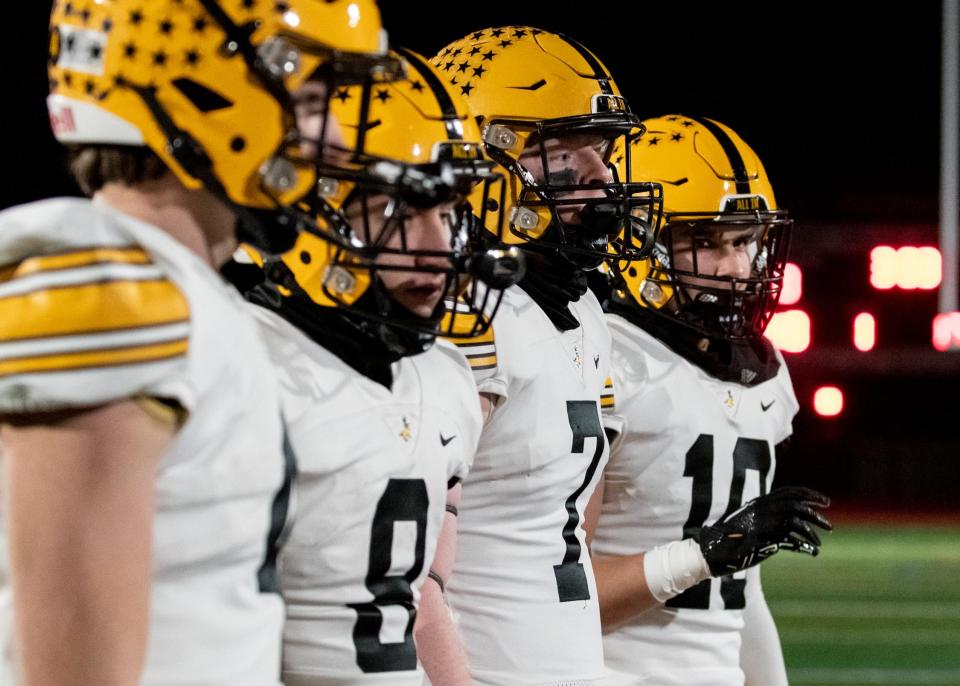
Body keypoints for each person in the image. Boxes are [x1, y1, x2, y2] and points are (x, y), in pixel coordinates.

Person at [0, 1, 392, 684]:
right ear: (198, 97)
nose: (334, 135)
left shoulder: (187, 291)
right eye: (306, 99)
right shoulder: (112, 293)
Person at [231, 48, 522, 685]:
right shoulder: (244, 366)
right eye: (399, 210)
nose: (439, 247)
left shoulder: (444, 376)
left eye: (448, 212)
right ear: (313, 208)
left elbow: (420, 607)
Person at [429, 27, 662, 685]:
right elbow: (409, 575)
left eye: (604, 149)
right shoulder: (464, 313)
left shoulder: (582, 307)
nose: (602, 175)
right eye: (566, 150)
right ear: (482, 155)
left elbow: (568, 537)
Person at [587, 115, 833, 686]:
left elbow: (742, 592)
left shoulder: (766, 373)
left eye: (744, 241)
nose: (734, 268)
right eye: (702, 241)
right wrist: (703, 554)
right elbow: (551, 595)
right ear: (638, 242)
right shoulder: (604, 360)